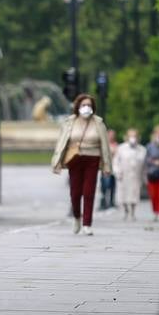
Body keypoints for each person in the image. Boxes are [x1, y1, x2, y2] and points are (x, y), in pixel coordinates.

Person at [51, 93, 113, 235]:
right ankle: (77, 218)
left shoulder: (98, 123)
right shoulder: (69, 122)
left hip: (93, 158)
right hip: (75, 159)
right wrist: (57, 163)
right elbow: (61, 143)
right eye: (84, 105)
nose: (86, 108)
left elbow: (105, 146)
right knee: (75, 193)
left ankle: (87, 224)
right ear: (78, 106)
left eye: (89, 105)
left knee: (89, 192)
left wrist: (107, 166)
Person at [113, 127, 147, 221]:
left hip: (136, 175)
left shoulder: (142, 149)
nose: (133, 138)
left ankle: (132, 212)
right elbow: (116, 161)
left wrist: (145, 177)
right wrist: (117, 172)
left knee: (134, 194)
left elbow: (144, 165)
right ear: (127, 137)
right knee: (123, 194)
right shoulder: (121, 148)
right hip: (123, 175)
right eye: (131, 136)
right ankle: (125, 210)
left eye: (134, 136)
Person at [100, 128, 120, 211]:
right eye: (110, 135)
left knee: (113, 186)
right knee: (105, 186)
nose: (111, 136)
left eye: (113, 135)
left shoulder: (116, 144)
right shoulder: (103, 144)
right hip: (105, 168)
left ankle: (112, 202)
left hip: (114, 168)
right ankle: (104, 202)